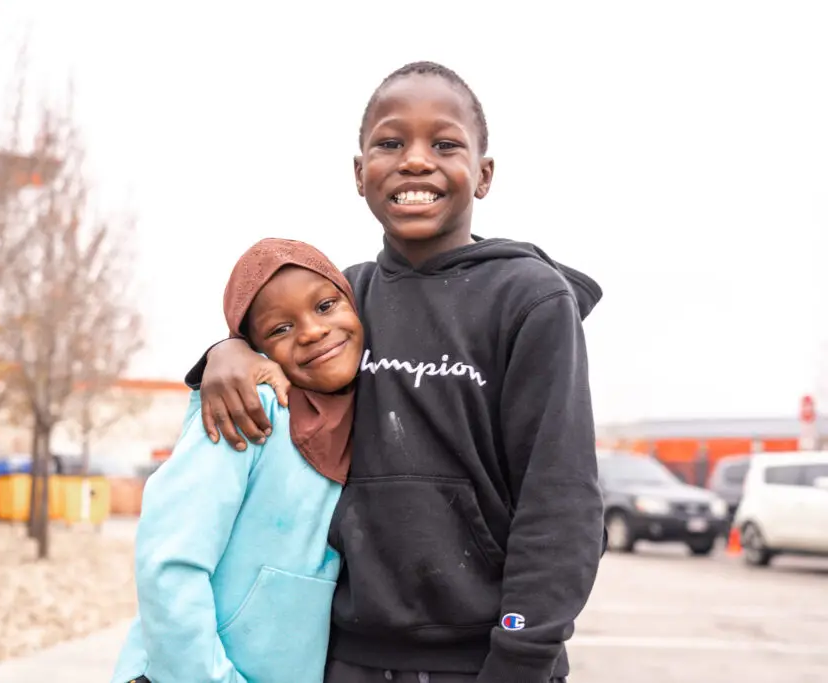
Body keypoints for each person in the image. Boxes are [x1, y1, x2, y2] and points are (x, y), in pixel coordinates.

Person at [185, 61, 605, 683]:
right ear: (359, 174)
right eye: (389, 142)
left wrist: (522, 653)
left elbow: (561, 500)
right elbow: (274, 340)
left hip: (486, 660)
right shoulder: (344, 304)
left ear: (483, 174)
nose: (415, 160)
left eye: (444, 143)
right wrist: (226, 353)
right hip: (344, 656)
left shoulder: (530, 300)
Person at [111, 238, 364, 683]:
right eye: (279, 329)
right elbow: (169, 564)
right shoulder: (248, 410)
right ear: (255, 349)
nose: (311, 331)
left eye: (325, 305)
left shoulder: (367, 416)